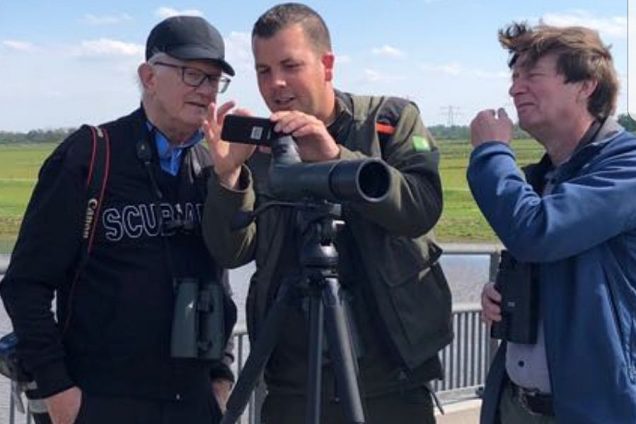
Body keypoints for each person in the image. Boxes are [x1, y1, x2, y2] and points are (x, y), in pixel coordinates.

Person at [201, 3, 452, 423]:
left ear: (327, 64)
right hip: (292, 383)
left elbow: (421, 208)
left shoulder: (388, 121)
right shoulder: (268, 147)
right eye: (263, 70)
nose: (276, 83)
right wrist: (228, 178)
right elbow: (233, 252)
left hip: (390, 378)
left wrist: (336, 158)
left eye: (290, 65)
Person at [0, 15, 237, 424]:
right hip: (101, 399)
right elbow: (26, 284)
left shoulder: (211, 165)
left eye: (214, 80)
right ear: (148, 76)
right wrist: (58, 391)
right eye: (192, 74)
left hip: (194, 401)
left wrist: (221, 375)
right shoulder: (91, 155)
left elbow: (218, 277)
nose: (205, 91)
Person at [468, 22, 636, 423]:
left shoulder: (626, 165)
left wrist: (492, 152)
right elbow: (552, 258)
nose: (514, 89)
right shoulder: (543, 177)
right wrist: (504, 295)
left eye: (532, 75)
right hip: (518, 405)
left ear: (586, 86)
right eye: (514, 77)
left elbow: (537, 233)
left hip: (594, 411)